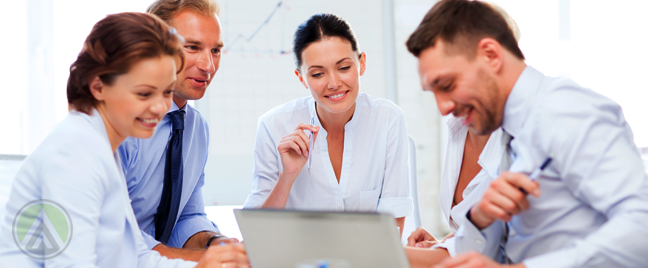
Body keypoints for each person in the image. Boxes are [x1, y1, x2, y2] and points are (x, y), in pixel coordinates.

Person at [406, 0, 648, 267]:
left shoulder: (565, 110)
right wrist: (481, 219)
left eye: (448, 84)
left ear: (490, 55)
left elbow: (641, 226)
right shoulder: (513, 130)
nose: (443, 108)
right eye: (434, 93)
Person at [0, 12, 248, 267]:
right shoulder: (74, 152)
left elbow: (134, 256)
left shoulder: (102, 148)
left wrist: (202, 265)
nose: (160, 107)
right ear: (98, 86)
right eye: (143, 93)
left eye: (165, 92)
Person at [243, 13, 413, 233]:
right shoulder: (273, 126)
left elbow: (393, 225)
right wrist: (287, 177)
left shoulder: (388, 119)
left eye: (343, 68)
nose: (334, 83)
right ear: (302, 78)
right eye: (317, 73)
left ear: (361, 64)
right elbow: (257, 233)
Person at [117, 0, 238, 262]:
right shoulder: (120, 124)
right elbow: (115, 232)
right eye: (192, 47)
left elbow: (187, 217)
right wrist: (197, 262)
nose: (208, 65)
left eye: (216, 50)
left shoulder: (196, 128)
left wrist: (216, 243)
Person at [405, 4, 519, 266]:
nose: (443, 106)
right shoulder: (459, 128)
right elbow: (482, 237)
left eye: (447, 84)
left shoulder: (522, 137)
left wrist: (381, 253)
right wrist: (446, 242)